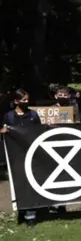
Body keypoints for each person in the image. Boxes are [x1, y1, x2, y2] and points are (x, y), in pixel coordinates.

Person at [1, 89, 41, 227]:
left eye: (27, 99)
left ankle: (31, 215)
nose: (26, 102)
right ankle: (22, 211)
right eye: (23, 100)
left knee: (31, 184)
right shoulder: (9, 116)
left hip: (31, 156)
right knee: (19, 184)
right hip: (15, 157)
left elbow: (39, 133)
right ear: (16, 101)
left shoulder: (33, 115)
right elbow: (4, 133)